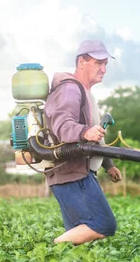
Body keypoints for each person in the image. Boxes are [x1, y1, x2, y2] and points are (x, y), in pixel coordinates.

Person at [43, 39, 123, 245]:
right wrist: (85, 131)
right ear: (81, 62)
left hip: (77, 173)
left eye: (105, 64)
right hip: (72, 173)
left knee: (82, 239)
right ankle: (49, 251)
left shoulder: (87, 93)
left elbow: (95, 135)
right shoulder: (70, 88)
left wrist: (109, 164)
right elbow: (62, 126)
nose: (104, 69)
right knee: (103, 224)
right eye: (98, 63)